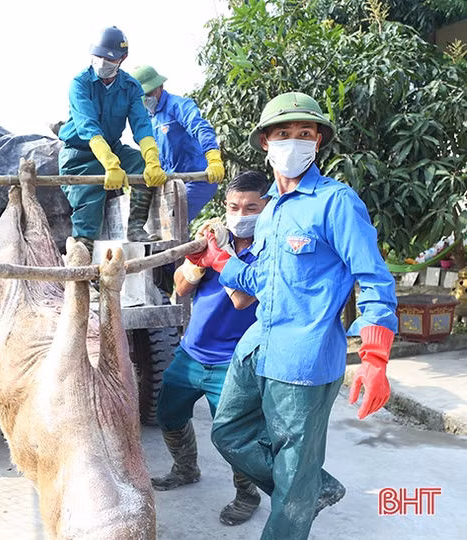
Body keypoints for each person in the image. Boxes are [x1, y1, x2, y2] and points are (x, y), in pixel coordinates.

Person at [189, 92, 398, 540]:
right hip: (257, 347)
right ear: (266, 142)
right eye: (283, 134)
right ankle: (309, 487)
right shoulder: (270, 212)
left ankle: (298, 494)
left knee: (291, 475)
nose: (294, 142)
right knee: (227, 434)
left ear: (318, 141)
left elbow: (375, 278)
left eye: (305, 134)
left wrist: (374, 358)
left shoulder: (336, 202)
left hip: (303, 362)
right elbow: (261, 282)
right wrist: (220, 259)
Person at [153, 171, 268, 527]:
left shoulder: (270, 250)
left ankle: (247, 494)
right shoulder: (212, 238)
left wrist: (219, 258)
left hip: (233, 362)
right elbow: (180, 287)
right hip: (191, 352)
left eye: (251, 207)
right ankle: (186, 468)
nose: (241, 213)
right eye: (234, 206)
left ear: (268, 208)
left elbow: (242, 300)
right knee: (168, 415)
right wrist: (198, 262)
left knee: (234, 435)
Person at [57, 26, 167, 254]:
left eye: (108, 59)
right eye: (97, 57)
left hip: (113, 148)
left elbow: (142, 126)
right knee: (90, 201)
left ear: (122, 59)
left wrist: (152, 159)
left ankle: (136, 226)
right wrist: (110, 164)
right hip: (79, 154)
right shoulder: (80, 84)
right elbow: (87, 127)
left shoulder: (130, 87)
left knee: (141, 165)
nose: (101, 62)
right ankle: (82, 256)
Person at [131, 65, 225, 222]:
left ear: (160, 86)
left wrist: (213, 157)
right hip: (171, 181)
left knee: (173, 220)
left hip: (196, 179)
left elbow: (201, 128)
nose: (147, 99)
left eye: (149, 93)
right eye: (142, 96)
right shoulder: (148, 119)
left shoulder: (178, 106)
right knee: (156, 223)